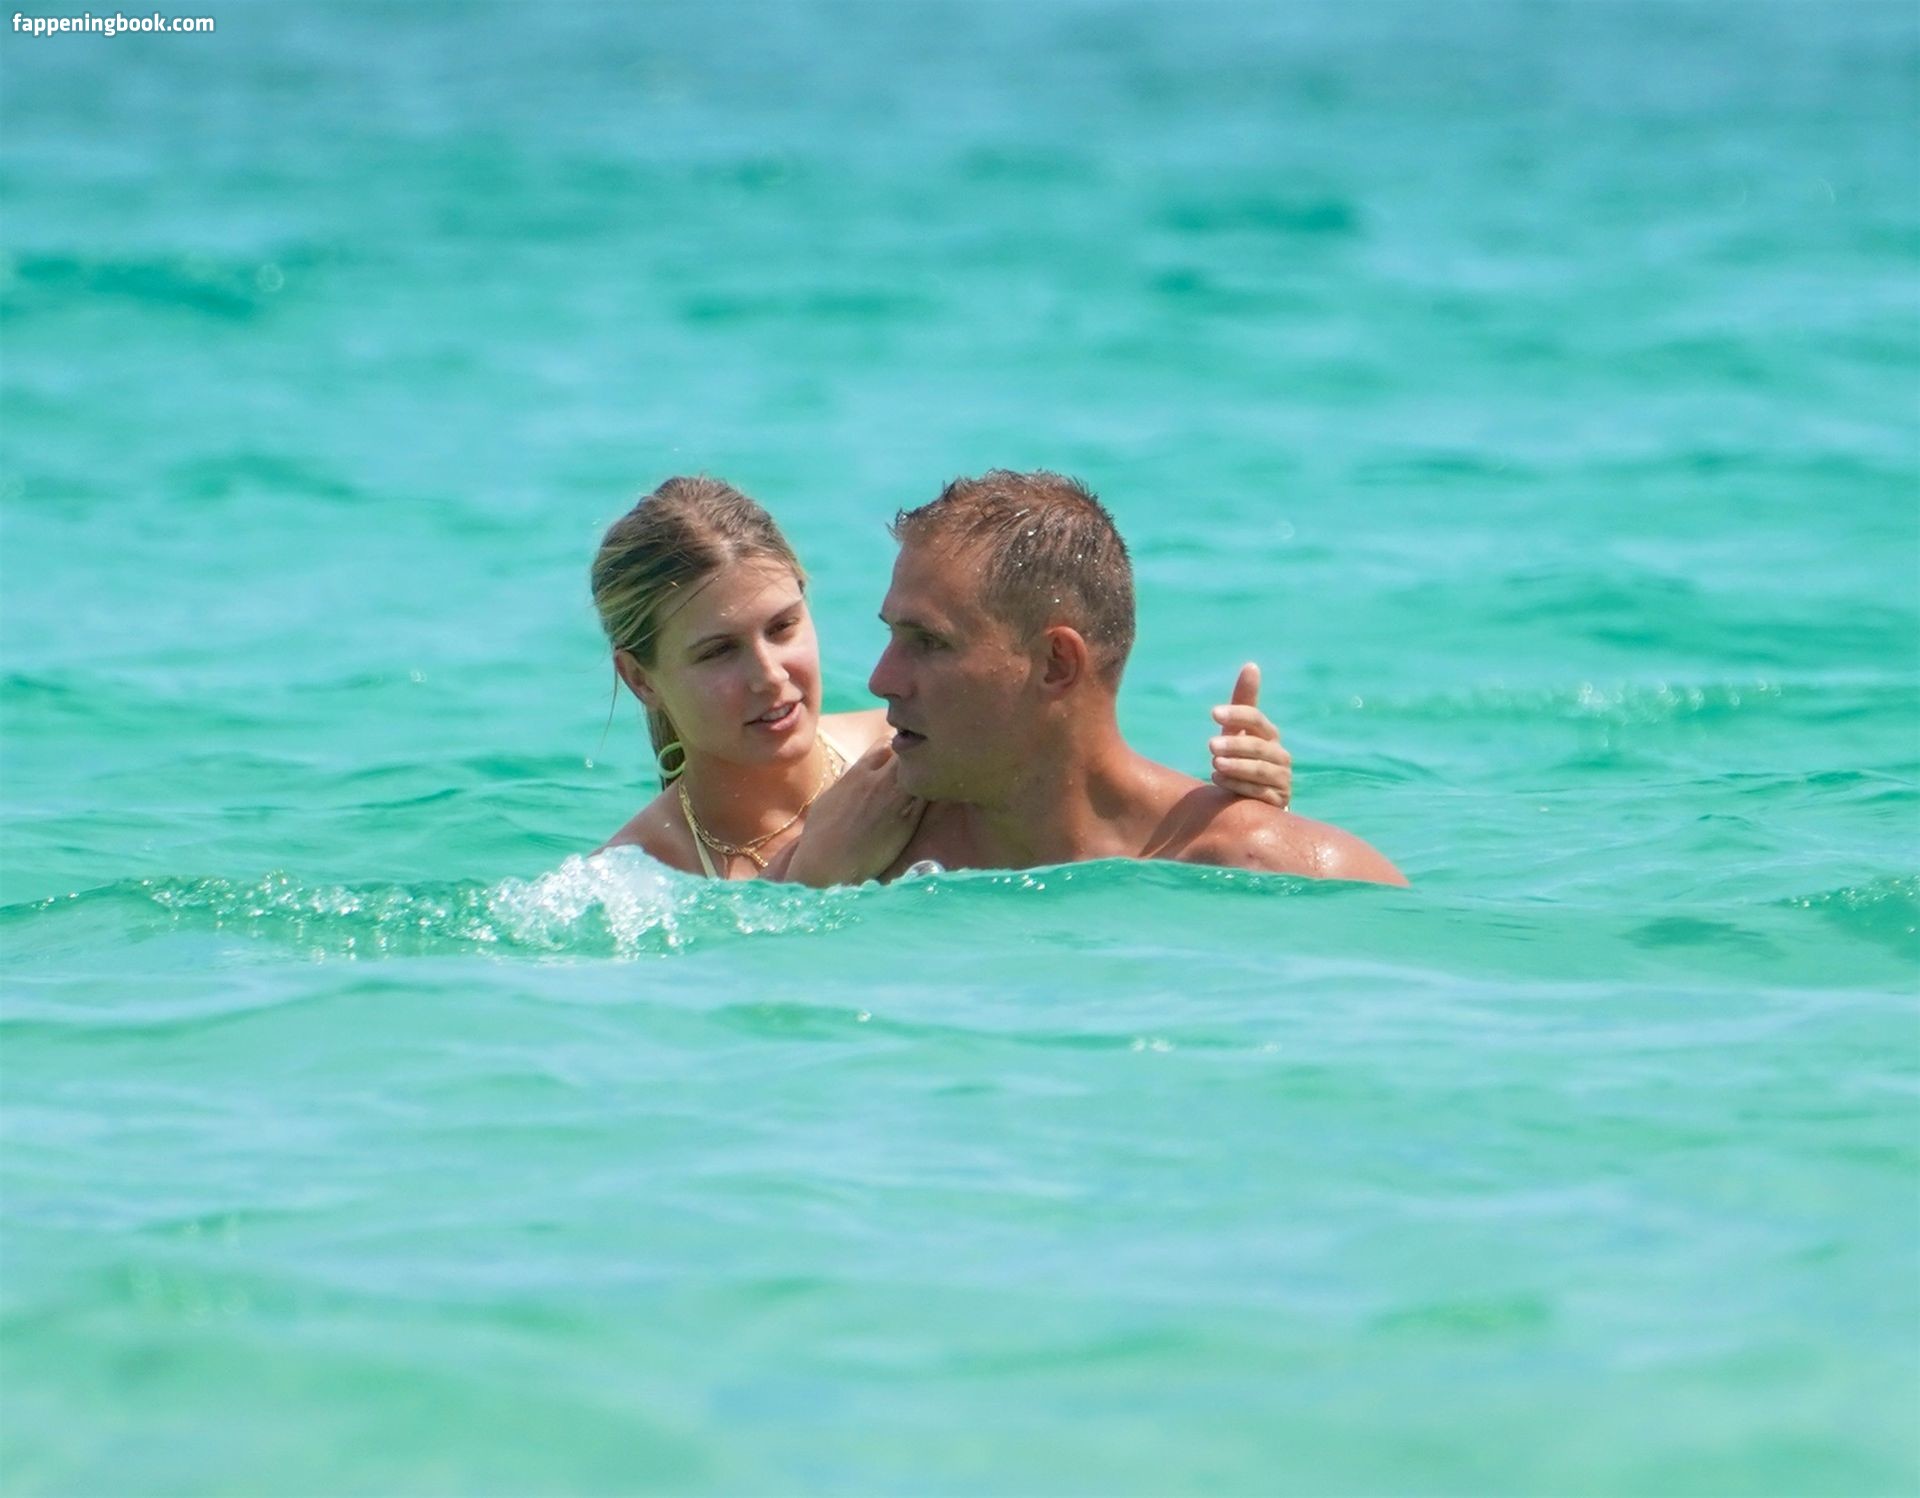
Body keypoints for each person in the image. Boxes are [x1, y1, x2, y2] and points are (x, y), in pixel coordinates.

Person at [589, 475, 1294, 883]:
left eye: (783, 627)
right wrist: (808, 883)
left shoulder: (918, 750)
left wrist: (1237, 808)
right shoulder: (637, 873)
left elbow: (1081, 787)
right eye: (718, 653)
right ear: (640, 679)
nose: (770, 677)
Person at [865, 470, 1407, 885]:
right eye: (892, 635)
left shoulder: (1262, 867)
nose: (881, 679)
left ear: (1056, 664)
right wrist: (819, 869)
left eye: (929, 643)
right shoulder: (863, 840)